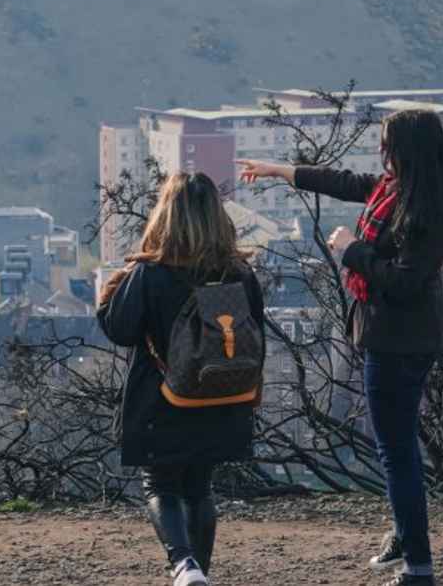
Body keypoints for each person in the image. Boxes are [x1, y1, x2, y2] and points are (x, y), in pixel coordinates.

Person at [239, 108, 443, 586]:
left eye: (388, 145)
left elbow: (402, 283)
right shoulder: (398, 189)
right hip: (392, 335)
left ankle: (417, 565)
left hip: (400, 340)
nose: (382, 155)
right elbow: (345, 181)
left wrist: (351, 251)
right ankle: (406, 534)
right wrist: (283, 171)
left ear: (405, 150)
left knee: (395, 450)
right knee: (395, 446)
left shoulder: (429, 210)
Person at [97, 173, 265, 586]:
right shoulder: (238, 273)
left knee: (160, 484)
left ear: (165, 216)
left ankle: (183, 564)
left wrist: (108, 292)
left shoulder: (152, 274)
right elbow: (255, 331)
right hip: (221, 397)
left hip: (164, 397)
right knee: (199, 487)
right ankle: (198, 572)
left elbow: (120, 330)